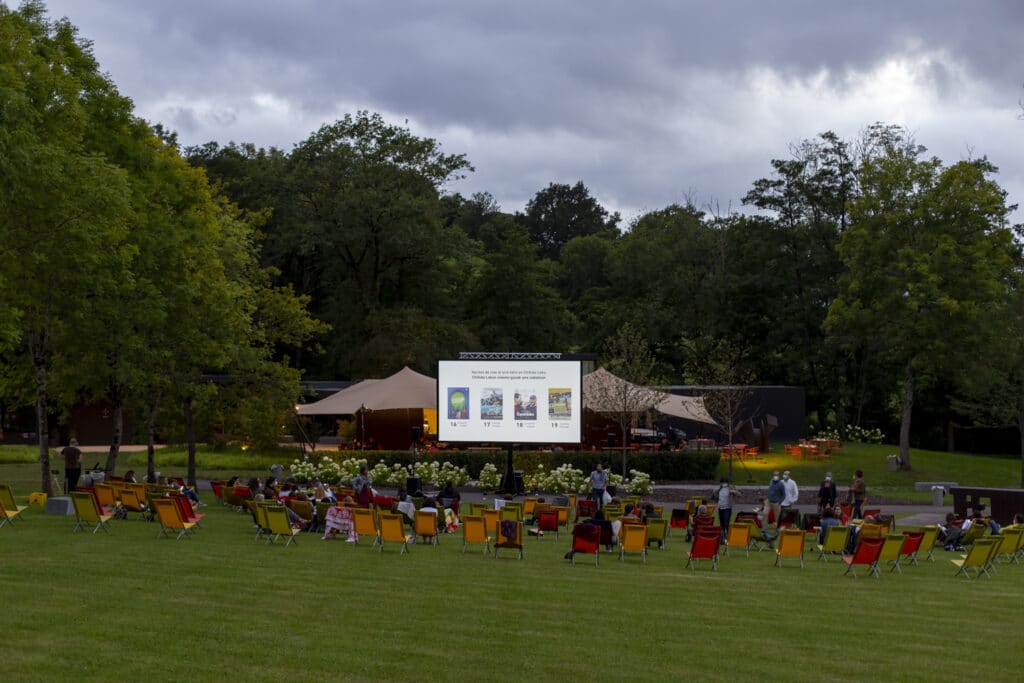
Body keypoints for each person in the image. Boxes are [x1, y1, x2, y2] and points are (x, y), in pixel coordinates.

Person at [714, 478, 739, 542]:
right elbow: (714, 492)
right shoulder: (720, 488)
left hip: (727, 508)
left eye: (724, 482)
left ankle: (728, 536)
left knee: (726, 523)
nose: (723, 484)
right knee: (722, 523)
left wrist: (733, 491)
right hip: (720, 508)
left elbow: (739, 494)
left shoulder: (730, 487)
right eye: (722, 482)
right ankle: (722, 537)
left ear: (727, 483)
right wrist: (719, 488)